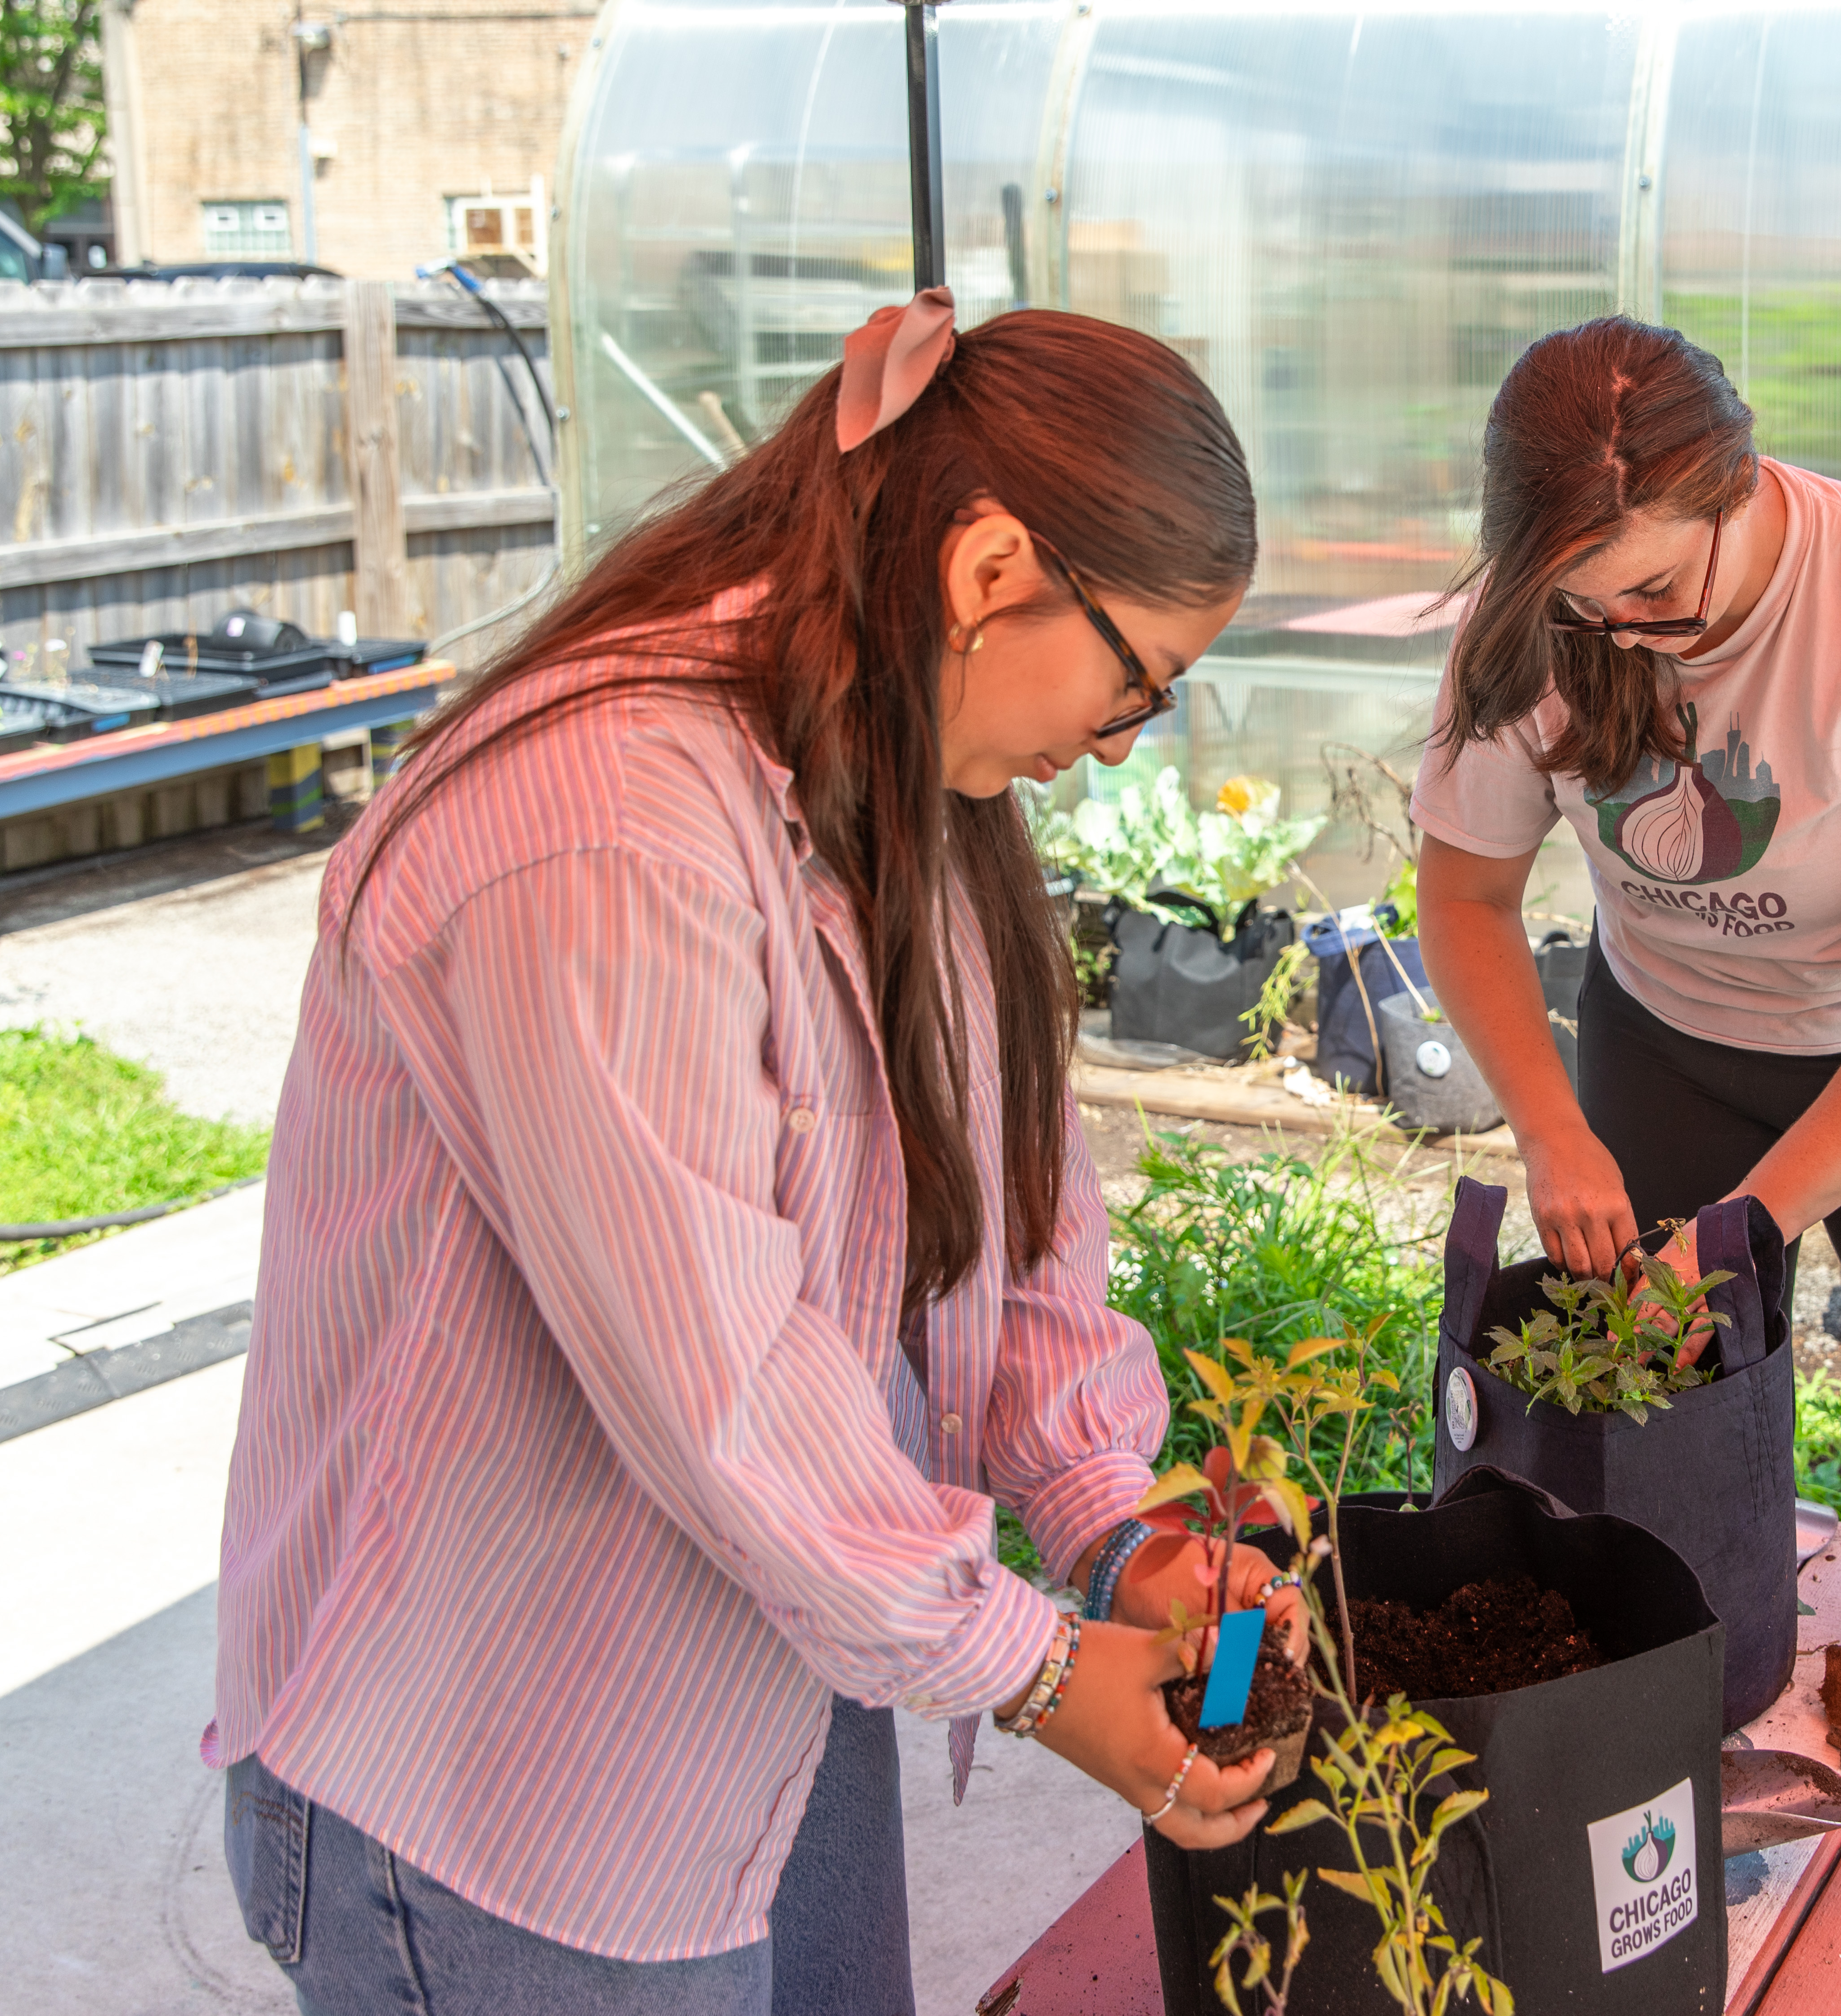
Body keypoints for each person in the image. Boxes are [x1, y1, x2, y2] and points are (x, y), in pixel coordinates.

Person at [206, 295, 1297, 2015]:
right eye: (1136, 685)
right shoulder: (608, 828)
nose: (1112, 750)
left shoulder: (898, 781)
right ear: (993, 569)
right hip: (503, 1773)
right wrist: (1037, 1668)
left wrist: (1114, 1529)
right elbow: (725, 1386)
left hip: (765, 1669)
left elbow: (1001, 1240)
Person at [1413, 315, 1841, 1569]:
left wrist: (1747, 1231)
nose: (1622, 630)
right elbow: (1463, 902)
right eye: (1587, 601)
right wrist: (1553, 1129)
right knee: (1636, 1453)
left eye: (1659, 593)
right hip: (1668, 1042)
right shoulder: (1523, 627)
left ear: (1740, 487)